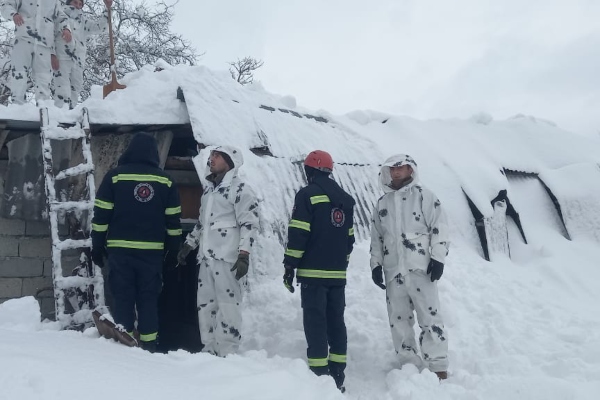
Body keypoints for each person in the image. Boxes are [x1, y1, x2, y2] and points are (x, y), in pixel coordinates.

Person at [91, 133, 182, 353]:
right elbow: (173, 221)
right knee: (148, 299)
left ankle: (125, 343)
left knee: (123, 297)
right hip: (151, 255)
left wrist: (97, 245)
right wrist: (173, 251)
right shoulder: (165, 181)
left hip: (120, 252)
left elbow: (101, 215)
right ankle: (149, 345)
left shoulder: (114, 177)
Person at [369, 154, 450, 379]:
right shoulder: (382, 204)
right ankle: (408, 364)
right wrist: (376, 264)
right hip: (393, 270)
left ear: (410, 170)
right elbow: (377, 237)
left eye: (401, 168)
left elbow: (439, 228)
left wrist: (438, 257)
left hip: (420, 268)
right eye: (392, 169)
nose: (396, 172)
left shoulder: (425, 197)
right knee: (398, 319)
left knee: (429, 316)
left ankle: (438, 365)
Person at [283, 150, 355, 392]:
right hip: (338, 275)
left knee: (316, 323)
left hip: (313, 274)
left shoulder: (307, 195)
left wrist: (290, 264)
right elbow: (349, 240)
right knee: (336, 322)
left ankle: (319, 375)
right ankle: (338, 375)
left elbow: (299, 232)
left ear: (310, 170)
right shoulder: (346, 199)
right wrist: (340, 263)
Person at [177, 145, 259, 357]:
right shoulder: (209, 192)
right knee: (205, 304)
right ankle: (209, 350)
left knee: (228, 305)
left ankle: (227, 352)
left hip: (228, 258)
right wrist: (189, 244)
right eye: (211, 155)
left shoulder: (240, 190)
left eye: (217, 156)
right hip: (206, 258)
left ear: (230, 162)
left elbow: (249, 224)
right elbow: (203, 223)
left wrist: (244, 254)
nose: (211, 158)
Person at [0, 0, 72, 104]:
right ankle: (17, 106)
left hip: (44, 44)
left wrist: (66, 28)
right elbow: (5, 4)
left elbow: (61, 16)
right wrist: (13, 14)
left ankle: (43, 107)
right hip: (23, 39)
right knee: (19, 74)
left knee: (44, 78)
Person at [52, 0, 111, 109]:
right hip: (62, 59)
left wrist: (107, 9)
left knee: (75, 89)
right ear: (69, 3)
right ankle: (60, 116)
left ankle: (71, 115)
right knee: (62, 89)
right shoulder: (59, 17)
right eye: (75, 3)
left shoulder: (83, 22)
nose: (78, 6)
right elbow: (49, 36)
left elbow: (100, 27)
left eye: (80, 4)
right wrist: (52, 55)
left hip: (78, 61)